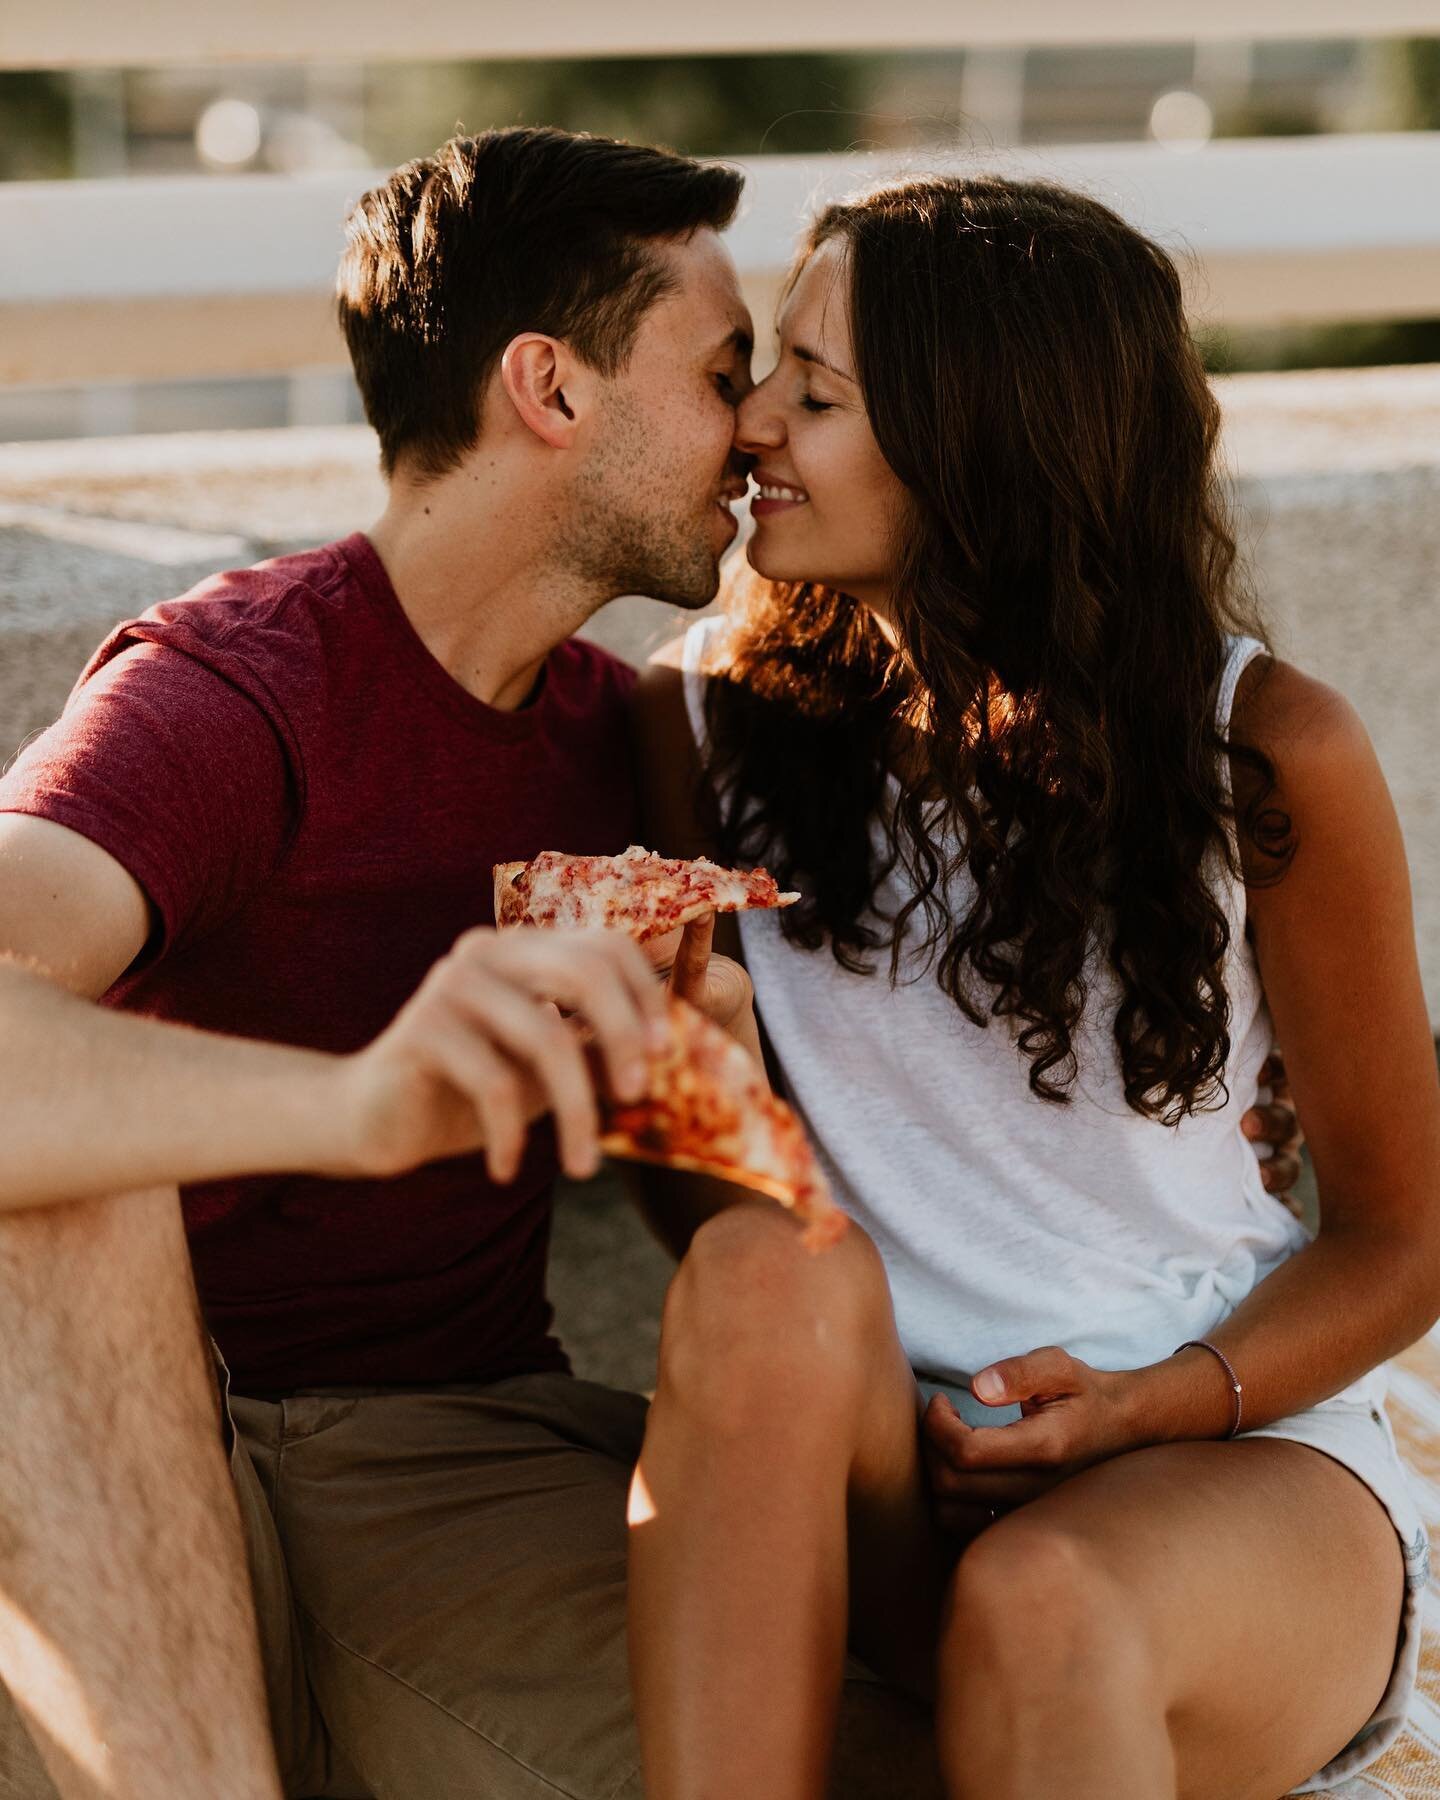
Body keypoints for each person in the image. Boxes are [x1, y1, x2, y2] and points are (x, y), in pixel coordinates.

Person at [626, 175, 1440, 1799]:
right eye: (767, 371)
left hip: (1220, 1450)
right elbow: (709, 1206)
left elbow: (1404, 1236)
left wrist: (1157, 1406)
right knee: (752, 1280)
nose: (755, 424)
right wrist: (680, 1068)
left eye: (819, 393)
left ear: (982, 440)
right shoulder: (694, 729)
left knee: (1045, 1603)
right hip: (868, 1449)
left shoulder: (1266, 751)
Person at [0, 126, 756, 1800]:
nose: (758, 436)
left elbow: (700, 1202)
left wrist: (713, 1081)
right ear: (550, 391)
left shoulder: (611, 741)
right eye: (723, 373)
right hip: (126, 1456)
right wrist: (361, 1104)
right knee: (47, 1195)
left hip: (453, 1457)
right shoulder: (237, 694)